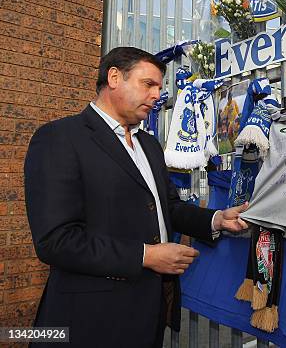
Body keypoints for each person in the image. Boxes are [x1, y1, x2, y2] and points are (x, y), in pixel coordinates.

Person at [24, 47, 249, 347]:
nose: (157, 95)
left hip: (148, 314)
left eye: (159, 87)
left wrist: (217, 219)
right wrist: (147, 255)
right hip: (89, 321)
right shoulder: (59, 139)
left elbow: (167, 206)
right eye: (148, 84)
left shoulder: (149, 145)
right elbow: (56, 240)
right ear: (114, 77)